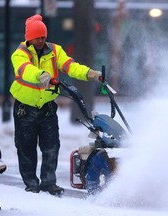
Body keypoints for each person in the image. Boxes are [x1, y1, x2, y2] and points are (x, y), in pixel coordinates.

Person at [10, 14, 102, 196]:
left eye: (43, 36)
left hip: (47, 107)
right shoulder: (20, 54)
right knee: (26, 147)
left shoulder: (54, 50)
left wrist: (90, 73)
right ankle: (31, 184)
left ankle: (48, 183)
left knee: (51, 146)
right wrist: (41, 75)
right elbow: (25, 70)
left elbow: (70, 66)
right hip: (25, 109)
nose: (41, 40)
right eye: (37, 37)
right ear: (29, 37)